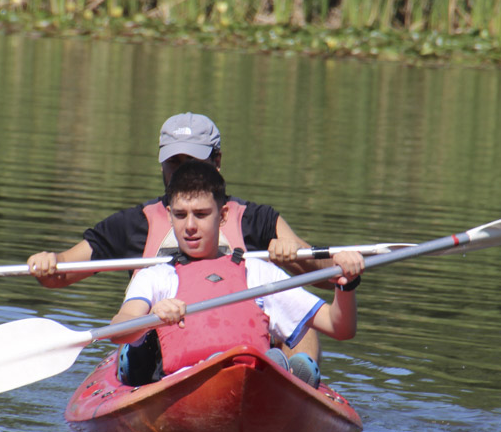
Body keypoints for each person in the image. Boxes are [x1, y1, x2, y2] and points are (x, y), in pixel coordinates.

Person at [27, 112, 339, 361]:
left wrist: (296, 257)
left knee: (302, 319)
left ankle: (299, 382)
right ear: (161, 162)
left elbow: (327, 279)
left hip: (243, 345)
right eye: (174, 162)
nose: (181, 171)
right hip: (159, 349)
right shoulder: (133, 223)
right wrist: (48, 262)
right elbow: (61, 273)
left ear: (216, 162)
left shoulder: (256, 220)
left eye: (192, 161)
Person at [109, 160, 363, 389]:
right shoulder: (154, 277)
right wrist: (151, 318)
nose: (189, 226)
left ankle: (275, 371)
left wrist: (346, 284)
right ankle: (275, 370)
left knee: (261, 366)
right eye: (180, 215)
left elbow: (339, 327)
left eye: (201, 214)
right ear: (169, 216)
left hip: (249, 382)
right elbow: (119, 328)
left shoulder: (259, 273)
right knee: (138, 353)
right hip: (183, 385)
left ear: (223, 215)